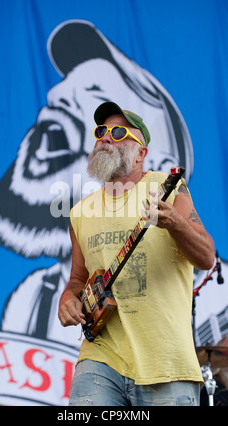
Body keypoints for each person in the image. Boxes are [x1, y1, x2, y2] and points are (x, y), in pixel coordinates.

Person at [58, 101, 215, 406]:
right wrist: (67, 298)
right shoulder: (79, 212)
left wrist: (173, 223)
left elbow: (206, 256)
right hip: (100, 357)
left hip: (165, 363)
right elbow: (78, 278)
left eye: (118, 132)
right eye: (101, 131)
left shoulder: (167, 189)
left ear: (141, 153)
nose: (105, 137)